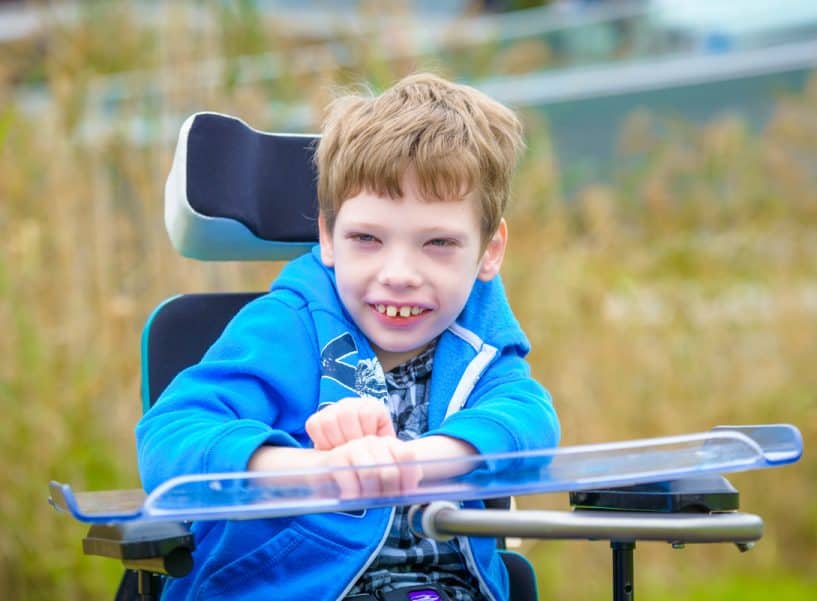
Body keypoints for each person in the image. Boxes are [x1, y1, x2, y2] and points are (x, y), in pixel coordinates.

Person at [136, 72, 560, 601]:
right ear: (327, 236)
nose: (400, 272)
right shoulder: (285, 328)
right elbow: (169, 438)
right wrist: (315, 468)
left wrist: (423, 458)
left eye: (438, 243)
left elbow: (528, 420)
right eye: (367, 238)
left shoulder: (479, 341)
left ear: (489, 251)